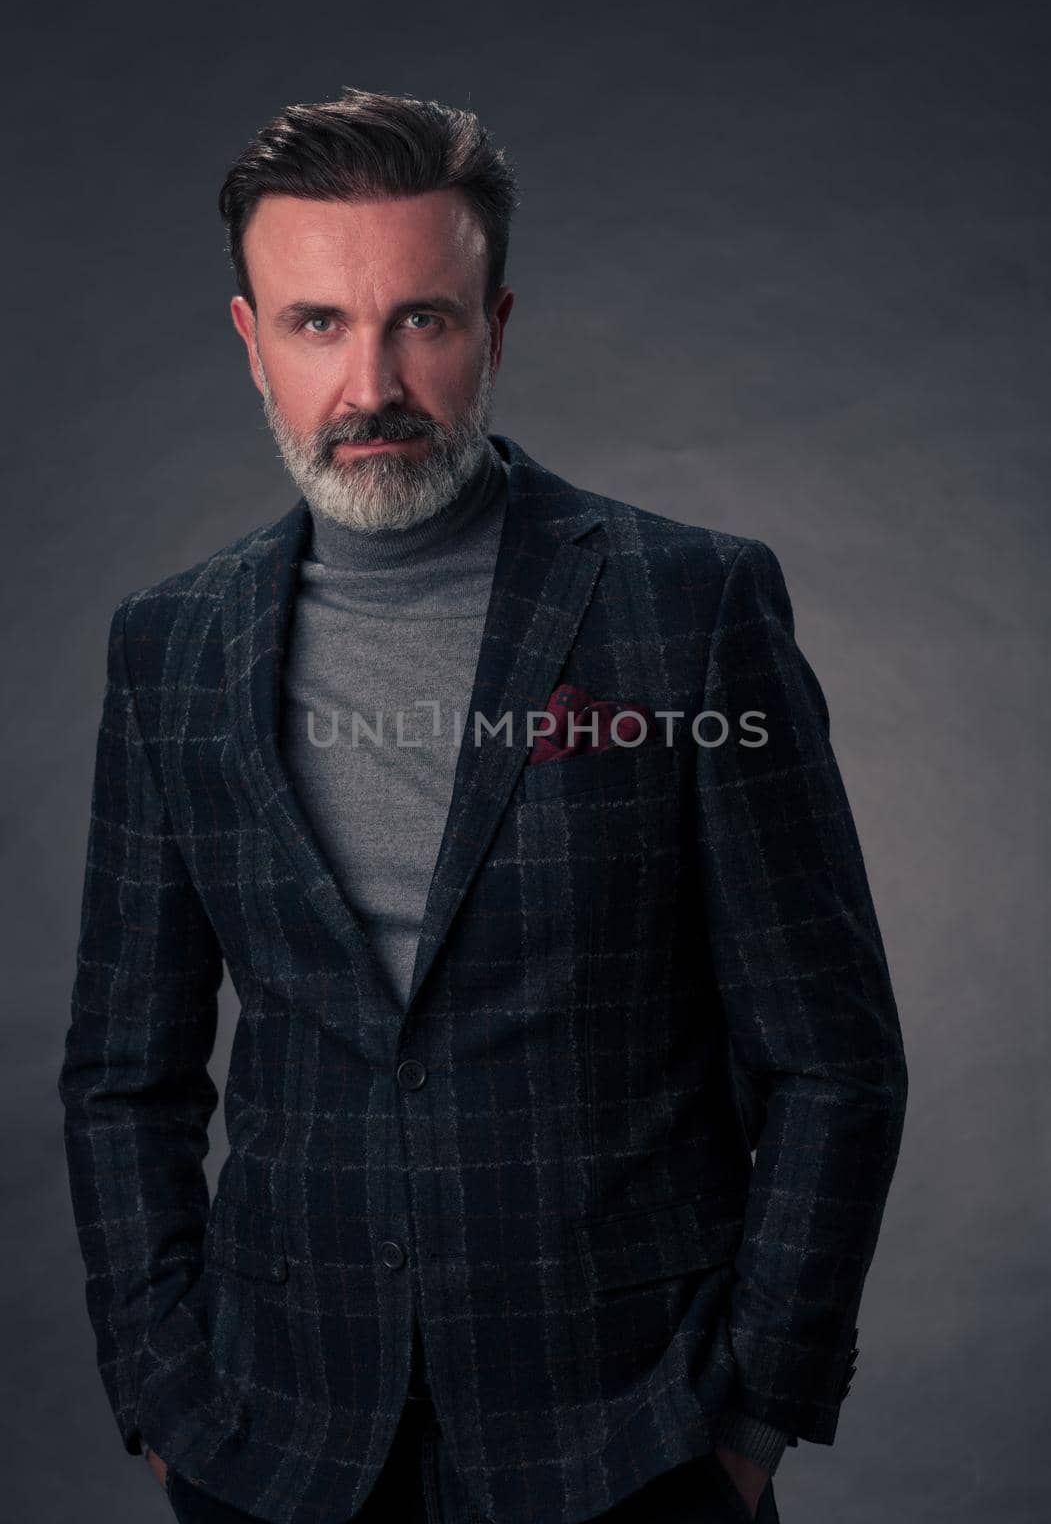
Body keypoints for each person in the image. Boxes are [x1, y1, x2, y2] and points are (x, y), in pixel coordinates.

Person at [59, 87, 907, 1524]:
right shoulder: (170, 645)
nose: (371, 380)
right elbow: (122, 1075)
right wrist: (162, 1392)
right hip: (272, 1440)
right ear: (252, 345)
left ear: (494, 330)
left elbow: (833, 1060)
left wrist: (756, 1408)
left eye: (422, 321)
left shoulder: (685, 609)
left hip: (629, 1438)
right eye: (319, 323)